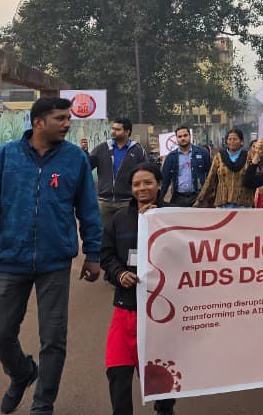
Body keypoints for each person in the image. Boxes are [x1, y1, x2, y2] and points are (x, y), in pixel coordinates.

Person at [0, 97, 103, 415]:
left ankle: (43, 405)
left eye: (68, 118)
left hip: (55, 263)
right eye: (60, 118)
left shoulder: (75, 160)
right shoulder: (5, 158)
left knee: (53, 339)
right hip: (10, 260)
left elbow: (88, 210)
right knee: (1, 335)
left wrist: (93, 253)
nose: (67, 124)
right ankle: (22, 373)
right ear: (38, 122)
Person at [100, 165, 175, 415]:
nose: (142, 188)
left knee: (161, 374)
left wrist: (156, 221)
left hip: (162, 313)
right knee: (117, 373)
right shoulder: (120, 219)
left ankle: (165, 409)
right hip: (126, 309)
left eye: (148, 182)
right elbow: (106, 254)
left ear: (159, 184)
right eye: (136, 184)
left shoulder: (175, 216)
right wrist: (119, 274)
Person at [81, 117, 150, 231]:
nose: (113, 131)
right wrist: (84, 151)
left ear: (127, 132)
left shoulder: (137, 150)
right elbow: (87, 166)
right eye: (113, 128)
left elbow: (146, 173)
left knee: (126, 233)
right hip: (104, 203)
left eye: (117, 129)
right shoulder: (102, 148)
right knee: (104, 234)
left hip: (127, 202)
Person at [194, 128, 255, 209]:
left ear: (241, 141)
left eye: (235, 139)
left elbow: (253, 177)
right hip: (223, 205)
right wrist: (200, 199)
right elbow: (210, 179)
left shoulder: (249, 156)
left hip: (243, 204)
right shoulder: (219, 157)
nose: (232, 141)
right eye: (229, 139)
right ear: (226, 141)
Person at [161, 125, 209, 208]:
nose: (183, 138)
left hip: (199, 197)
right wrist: (159, 200)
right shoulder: (171, 157)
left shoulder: (202, 153)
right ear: (176, 138)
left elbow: (210, 175)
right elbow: (165, 181)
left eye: (185, 135)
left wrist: (206, 197)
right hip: (178, 198)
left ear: (190, 136)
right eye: (179, 136)